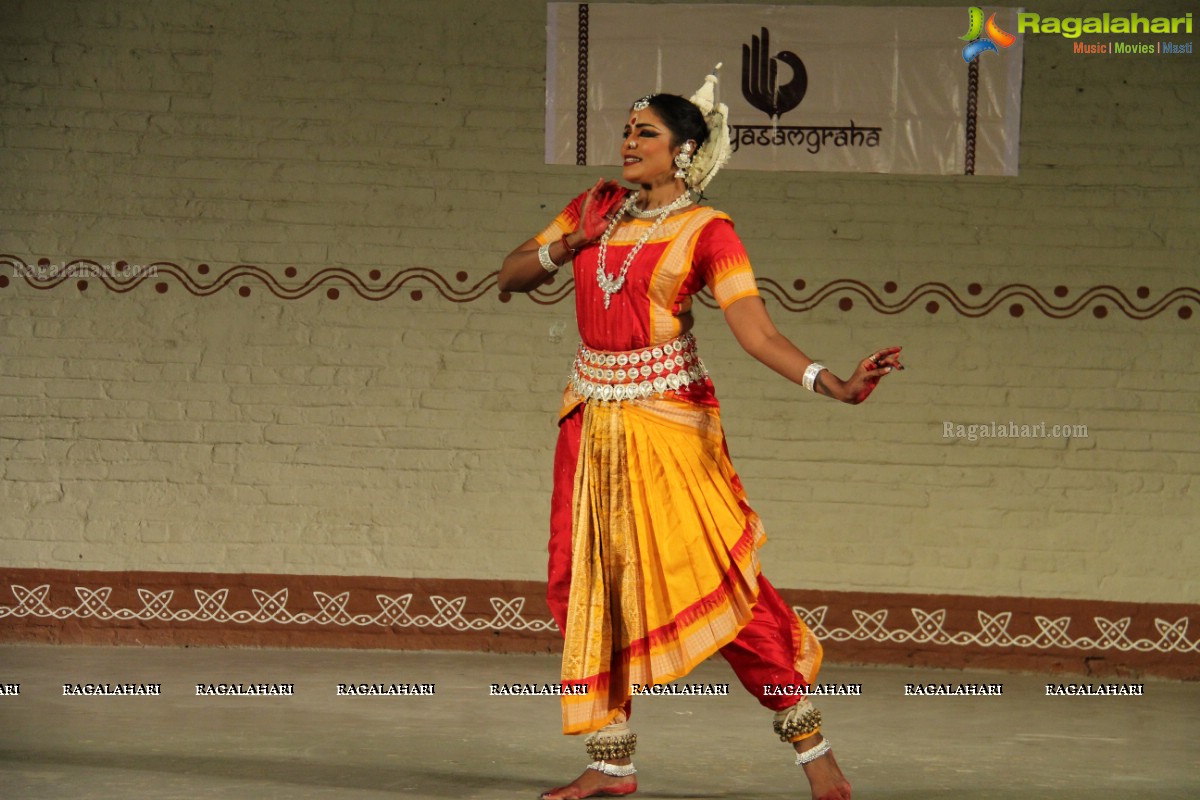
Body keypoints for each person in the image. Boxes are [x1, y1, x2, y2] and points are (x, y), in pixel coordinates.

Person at [499, 67, 901, 800]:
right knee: (585, 584)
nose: (627, 142)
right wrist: (569, 246)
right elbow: (509, 274)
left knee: (718, 587)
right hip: (589, 422)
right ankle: (611, 761)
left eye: (644, 133)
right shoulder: (594, 207)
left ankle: (817, 754)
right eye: (625, 130)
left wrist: (833, 384)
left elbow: (755, 331)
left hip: (668, 430)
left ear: (685, 150)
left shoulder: (709, 231)